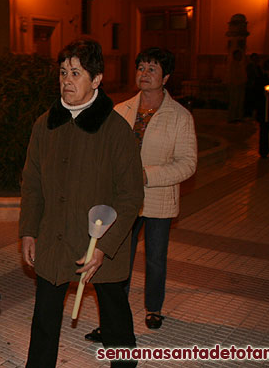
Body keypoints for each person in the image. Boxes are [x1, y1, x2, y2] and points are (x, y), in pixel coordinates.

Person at [19, 39, 144, 367]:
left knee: (115, 316)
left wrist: (105, 246)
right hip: (54, 239)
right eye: (62, 72)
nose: (67, 80)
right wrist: (29, 231)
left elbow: (131, 195)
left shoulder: (115, 129)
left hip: (98, 242)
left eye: (76, 72)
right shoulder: (45, 124)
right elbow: (31, 184)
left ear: (97, 79)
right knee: (45, 319)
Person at [85, 48, 197, 341]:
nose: (144, 74)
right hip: (124, 200)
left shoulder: (180, 117)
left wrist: (147, 175)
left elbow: (188, 163)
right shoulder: (120, 110)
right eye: (141, 68)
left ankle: (154, 308)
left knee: (155, 259)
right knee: (116, 259)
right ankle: (113, 321)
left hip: (158, 199)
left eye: (152, 69)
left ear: (166, 77)